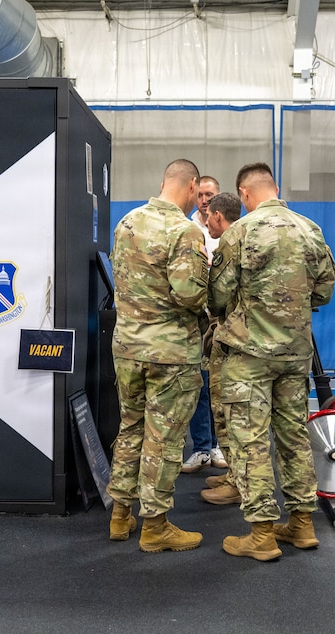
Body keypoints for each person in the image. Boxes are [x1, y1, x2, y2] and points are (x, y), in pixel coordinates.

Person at [207, 162, 335, 561]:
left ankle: (262, 534)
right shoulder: (310, 229)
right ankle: (302, 523)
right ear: (274, 188)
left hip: (249, 355)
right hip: (296, 353)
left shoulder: (240, 232)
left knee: (250, 441)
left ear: (244, 193)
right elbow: (325, 290)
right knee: (294, 436)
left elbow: (217, 295)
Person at [107, 159, 210, 553]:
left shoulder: (127, 223)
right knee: (163, 439)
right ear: (192, 185)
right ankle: (155, 526)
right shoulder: (184, 230)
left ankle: (120, 516)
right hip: (170, 353)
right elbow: (189, 294)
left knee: (131, 427)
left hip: (128, 347)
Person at [196, 192, 244, 501]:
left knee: (227, 412)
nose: (206, 223)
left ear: (217, 215)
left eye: (208, 217)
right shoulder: (249, 236)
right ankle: (234, 475)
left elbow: (216, 299)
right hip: (248, 340)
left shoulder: (231, 241)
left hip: (231, 340)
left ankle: (237, 484)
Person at [182, 175, 227, 474]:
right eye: (200, 195)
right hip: (198, 317)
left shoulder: (229, 232)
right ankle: (201, 447)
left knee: (220, 385)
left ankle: (219, 445)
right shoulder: (188, 230)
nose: (204, 199)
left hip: (222, 318)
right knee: (200, 384)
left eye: (209, 194)